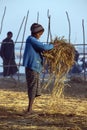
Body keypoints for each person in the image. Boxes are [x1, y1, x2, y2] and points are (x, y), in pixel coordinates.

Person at [23, 23, 57, 114]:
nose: (40, 36)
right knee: (33, 87)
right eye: (39, 34)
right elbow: (43, 47)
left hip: (35, 66)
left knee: (34, 87)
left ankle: (30, 108)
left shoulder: (32, 40)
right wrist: (53, 46)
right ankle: (29, 109)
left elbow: (41, 48)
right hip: (32, 66)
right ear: (35, 33)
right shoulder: (32, 39)